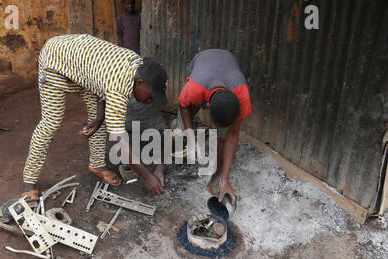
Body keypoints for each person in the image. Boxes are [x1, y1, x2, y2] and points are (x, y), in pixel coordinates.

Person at [21, 34, 168, 200]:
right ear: (140, 82)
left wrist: (99, 119)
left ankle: (97, 164)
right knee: (52, 121)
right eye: (150, 96)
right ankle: (29, 178)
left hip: (82, 64)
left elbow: (103, 84)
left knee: (102, 120)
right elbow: (119, 138)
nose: (150, 101)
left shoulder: (138, 65)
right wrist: (147, 176)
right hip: (55, 59)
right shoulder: (119, 87)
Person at [178, 49, 252, 205]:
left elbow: (232, 135)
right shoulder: (194, 88)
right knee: (182, 126)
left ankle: (216, 178)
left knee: (224, 137)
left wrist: (225, 178)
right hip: (202, 62)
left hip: (228, 64)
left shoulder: (242, 95)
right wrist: (191, 137)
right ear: (208, 106)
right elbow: (183, 105)